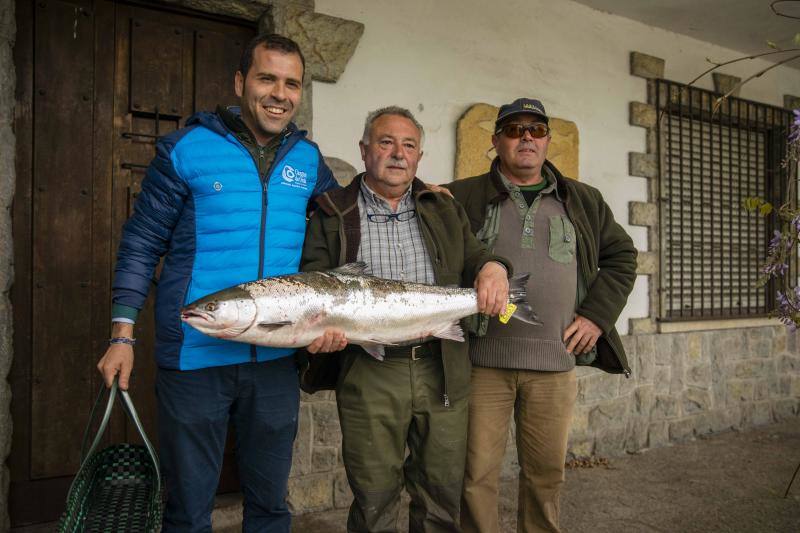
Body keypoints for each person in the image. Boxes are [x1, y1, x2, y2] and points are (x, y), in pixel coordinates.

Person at [96, 34, 347, 532]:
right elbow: (142, 243)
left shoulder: (308, 160)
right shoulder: (186, 149)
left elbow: (349, 225)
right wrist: (122, 334)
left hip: (275, 358)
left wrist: (418, 195)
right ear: (240, 82)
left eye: (292, 83)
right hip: (195, 358)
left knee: (271, 506)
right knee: (188, 510)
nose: (280, 93)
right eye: (267, 78)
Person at [300, 106, 511, 532]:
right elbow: (313, 281)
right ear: (364, 150)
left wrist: (494, 267)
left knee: (440, 492)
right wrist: (316, 331)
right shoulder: (332, 212)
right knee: (374, 494)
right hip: (369, 369)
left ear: (418, 156)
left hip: (442, 366)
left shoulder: (442, 206)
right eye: (386, 142)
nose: (398, 154)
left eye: (409, 145)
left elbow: (474, 254)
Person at [447, 98, 637, 533]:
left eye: (536, 129)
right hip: (482, 363)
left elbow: (623, 255)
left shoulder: (583, 199)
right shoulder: (462, 195)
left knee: (546, 476)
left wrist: (595, 317)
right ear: (496, 140)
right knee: (475, 477)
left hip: (554, 364)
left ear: (548, 139)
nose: (526, 138)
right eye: (514, 130)